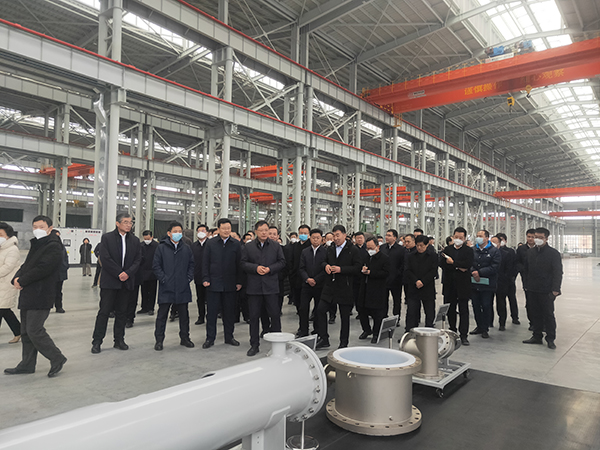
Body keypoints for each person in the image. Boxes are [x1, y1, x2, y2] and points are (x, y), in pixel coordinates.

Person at [4, 215, 67, 377]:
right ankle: (27, 364)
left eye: (41, 227)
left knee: (34, 330)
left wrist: (22, 280)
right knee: (25, 331)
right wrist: (16, 278)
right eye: (35, 227)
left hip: (41, 294)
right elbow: (27, 265)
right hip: (29, 292)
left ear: (50, 229)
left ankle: (57, 357)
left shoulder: (53, 246)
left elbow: (43, 268)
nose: (37, 230)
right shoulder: (37, 243)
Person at [91, 213, 141, 354]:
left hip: (126, 282)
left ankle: (119, 340)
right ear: (117, 223)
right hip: (110, 282)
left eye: (130, 222)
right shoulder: (107, 238)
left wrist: (128, 273)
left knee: (122, 312)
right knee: (104, 312)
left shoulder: (135, 240)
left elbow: (138, 260)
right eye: (125, 222)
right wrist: (119, 273)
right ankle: (97, 341)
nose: (129, 225)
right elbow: (105, 258)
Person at [241, 220, 287, 356]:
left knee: (275, 315)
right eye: (261, 230)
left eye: (266, 230)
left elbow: (282, 262)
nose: (264, 233)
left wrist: (270, 269)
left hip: (271, 287)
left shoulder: (275, 246)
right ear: (256, 232)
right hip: (254, 287)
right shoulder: (248, 247)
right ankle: (254, 345)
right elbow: (243, 263)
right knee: (254, 317)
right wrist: (255, 268)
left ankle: (278, 345)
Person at [316, 225, 362, 349]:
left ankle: (343, 342)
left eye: (338, 235)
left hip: (345, 287)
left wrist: (341, 269)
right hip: (329, 286)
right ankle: (324, 338)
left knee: (344, 316)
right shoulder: (330, 248)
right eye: (334, 235)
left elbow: (357, 268)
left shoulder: (352, 250)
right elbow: (323, 261)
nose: (335, 238)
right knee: (320, 310)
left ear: (344, 235)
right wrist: (325, 266)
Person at [152, 221, 195, 351]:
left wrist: (188, 278)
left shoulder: (186, 248)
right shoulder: (161, 248)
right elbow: (156, 265)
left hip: (182, 287)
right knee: (162, 316)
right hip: (166, 287)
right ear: (169, 233)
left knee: (184, 316)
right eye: (175, 231)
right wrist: (163, 279)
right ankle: (159, 340)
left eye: (180, 232)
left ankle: (185, 338)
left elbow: (191, 264)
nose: (178, 234)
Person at [202, 218, 242, 349]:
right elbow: (205, 262)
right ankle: (210, 338)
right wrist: (205, 278)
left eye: (228, 228)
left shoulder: (236, 244)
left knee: (229, 313)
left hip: (230, 284)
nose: (226, 231)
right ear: (218, 229)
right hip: (213, 283)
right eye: (224, 228)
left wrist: (239, 281)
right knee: (212, 313)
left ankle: (229, 337)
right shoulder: (211, 243)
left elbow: (239, 264)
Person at [522, 227, 563, 349]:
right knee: (535, 314)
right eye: (536, 237)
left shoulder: (553, 253)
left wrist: (555, 289)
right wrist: (526, 285)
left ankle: (550, 339)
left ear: (546, 238)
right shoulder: (530, 252)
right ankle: (537, 336)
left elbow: (558, 272)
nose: (537, 239)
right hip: (532, 289)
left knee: (548, 315)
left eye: (540, 237)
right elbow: (526, 270)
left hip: (547, 290)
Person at [440, 227, 474, 345]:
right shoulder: (447, 250)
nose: (458, 239)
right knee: (451, 309)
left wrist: (453, 263)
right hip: (449, 284)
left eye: (461, 237)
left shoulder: (468, 251)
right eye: (456, 237)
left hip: (463, 284)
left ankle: (464, 335)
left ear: (464, 239)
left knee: (463, 310)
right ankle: (452, 331)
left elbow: (468, 264)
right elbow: (442, 264)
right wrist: (459, 266)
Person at [357, 237, 389, 343]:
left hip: (377, 289)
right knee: (362, 311)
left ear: (377, 246)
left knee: (377, 314)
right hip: (364, 288)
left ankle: (376, 333)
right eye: (368, 248)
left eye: (371, 248)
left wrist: (371, 273)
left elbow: (386, 273)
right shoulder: (365, 257)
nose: (369, 250)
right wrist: (362, 270)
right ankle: (366, 330)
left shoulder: (384, 258)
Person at [470, 229, 501, 339]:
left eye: (481, 236)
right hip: (474, 283)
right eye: (477, 235)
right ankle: (479, 326)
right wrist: (473, 272)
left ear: (487, 238)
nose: (478, 238)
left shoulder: (494, 251)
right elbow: (469, 262)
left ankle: (485, 328)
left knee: (486, 305)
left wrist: (480, 272)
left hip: (488, 284)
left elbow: (495, 266)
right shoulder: (472, 250)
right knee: (475, 305)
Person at [405, 235, 438, 332]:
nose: (419, 248)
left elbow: (433, 271)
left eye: (422, 246)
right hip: (414, 287)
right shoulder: (410, 256)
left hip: (427, 287)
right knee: (411, 312)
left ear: (427, 245)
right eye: (417, 245)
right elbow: (407, 270)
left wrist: (423, 281)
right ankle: (410, 332)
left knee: (429, 311)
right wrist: (416, 281)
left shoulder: (433, 256)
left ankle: (429, 332)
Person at [298, 228, 327, 338]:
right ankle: (303, 330)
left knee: (319, 309)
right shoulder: (305, 252)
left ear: (321, 239)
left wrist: (316, 279)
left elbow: (325, 269)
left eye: (318, 238)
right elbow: (301, 268)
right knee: (303, 308)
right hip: (306, 285)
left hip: (320, 285)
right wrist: (307, 279)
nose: (315, 240)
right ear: (310, 238)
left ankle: (317, 330)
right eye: (313, 238)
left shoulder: (326, 252)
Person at [0, 222, 21, 344]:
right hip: (1, 285)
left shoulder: (13, 250)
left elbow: (7, 267)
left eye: (0, 234)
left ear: (8, 236)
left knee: (2, 309)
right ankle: (19, 331)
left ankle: (19, 332)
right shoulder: (2, 249)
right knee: (6, 311)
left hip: (6, 285)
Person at [494, 233, 519, 330]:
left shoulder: (510, 252)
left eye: (502, 239)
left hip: (509, 280)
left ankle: (515, 317)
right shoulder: (493, 252)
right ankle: (501, 322)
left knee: (512, 299)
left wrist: (512, 277)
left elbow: (514, 266)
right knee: (500, 302)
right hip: (499, 281)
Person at [380, 229, 405, 323]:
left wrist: (397, 274)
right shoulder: (382, 248)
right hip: (383, 279)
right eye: (386, 235)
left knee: (396, 300)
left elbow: (403, 264)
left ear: (395, 238)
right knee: (383, 300)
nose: (387, 237)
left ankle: (396, 318)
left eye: (389, 235)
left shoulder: (401, 250)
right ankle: (383, 317)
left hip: (396, 280)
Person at [516, 228, 536, 330]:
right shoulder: (521, 249)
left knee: (541, 302)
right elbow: (517, 262)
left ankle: (542, 323)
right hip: (527, 279)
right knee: (530, 301)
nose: (530, 239)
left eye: (533, 237)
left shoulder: (540, 249)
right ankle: (532, 322)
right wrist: (523, 270)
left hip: (539, 280)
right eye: (529, 237)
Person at [137, 230, 159, 316]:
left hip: (153, 272)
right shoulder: (140, 245)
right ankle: (144, 307)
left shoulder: (157, 246)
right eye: (145, 239)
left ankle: (151, 308)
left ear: (152, 237)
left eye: (148, 238)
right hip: (143, 272)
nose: (146, 240)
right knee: (143, 290)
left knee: (152, 291)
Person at [191, 224, 209, 325]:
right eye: (199, 231)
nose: (201, 232)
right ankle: (201, 316)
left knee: (210, 298)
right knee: (200, 298)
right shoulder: (194, 246)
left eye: (203, 230)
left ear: (207, 233)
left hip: (210, 276)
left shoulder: (211, 244)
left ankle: (210, 316)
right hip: (198, 275)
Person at [52, 230, 68, 314]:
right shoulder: (49, 246)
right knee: (49, 291)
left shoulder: (62, 247)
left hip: (60, 273)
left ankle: (59, 307)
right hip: (50, 274)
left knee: (58, 291)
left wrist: (65, 267)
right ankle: (47, 307)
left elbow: (65, 258)